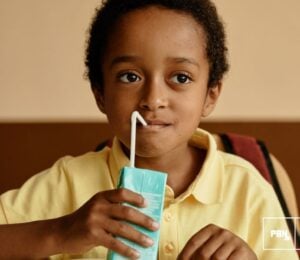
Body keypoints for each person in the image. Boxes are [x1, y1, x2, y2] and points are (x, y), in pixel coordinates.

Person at [0, 0, 298, 259]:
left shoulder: (252, 188)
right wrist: (60, 231)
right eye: (130, 76)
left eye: (180, 78)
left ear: (211, 94)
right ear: (100, 93)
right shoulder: (66, 183)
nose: (153, 99)